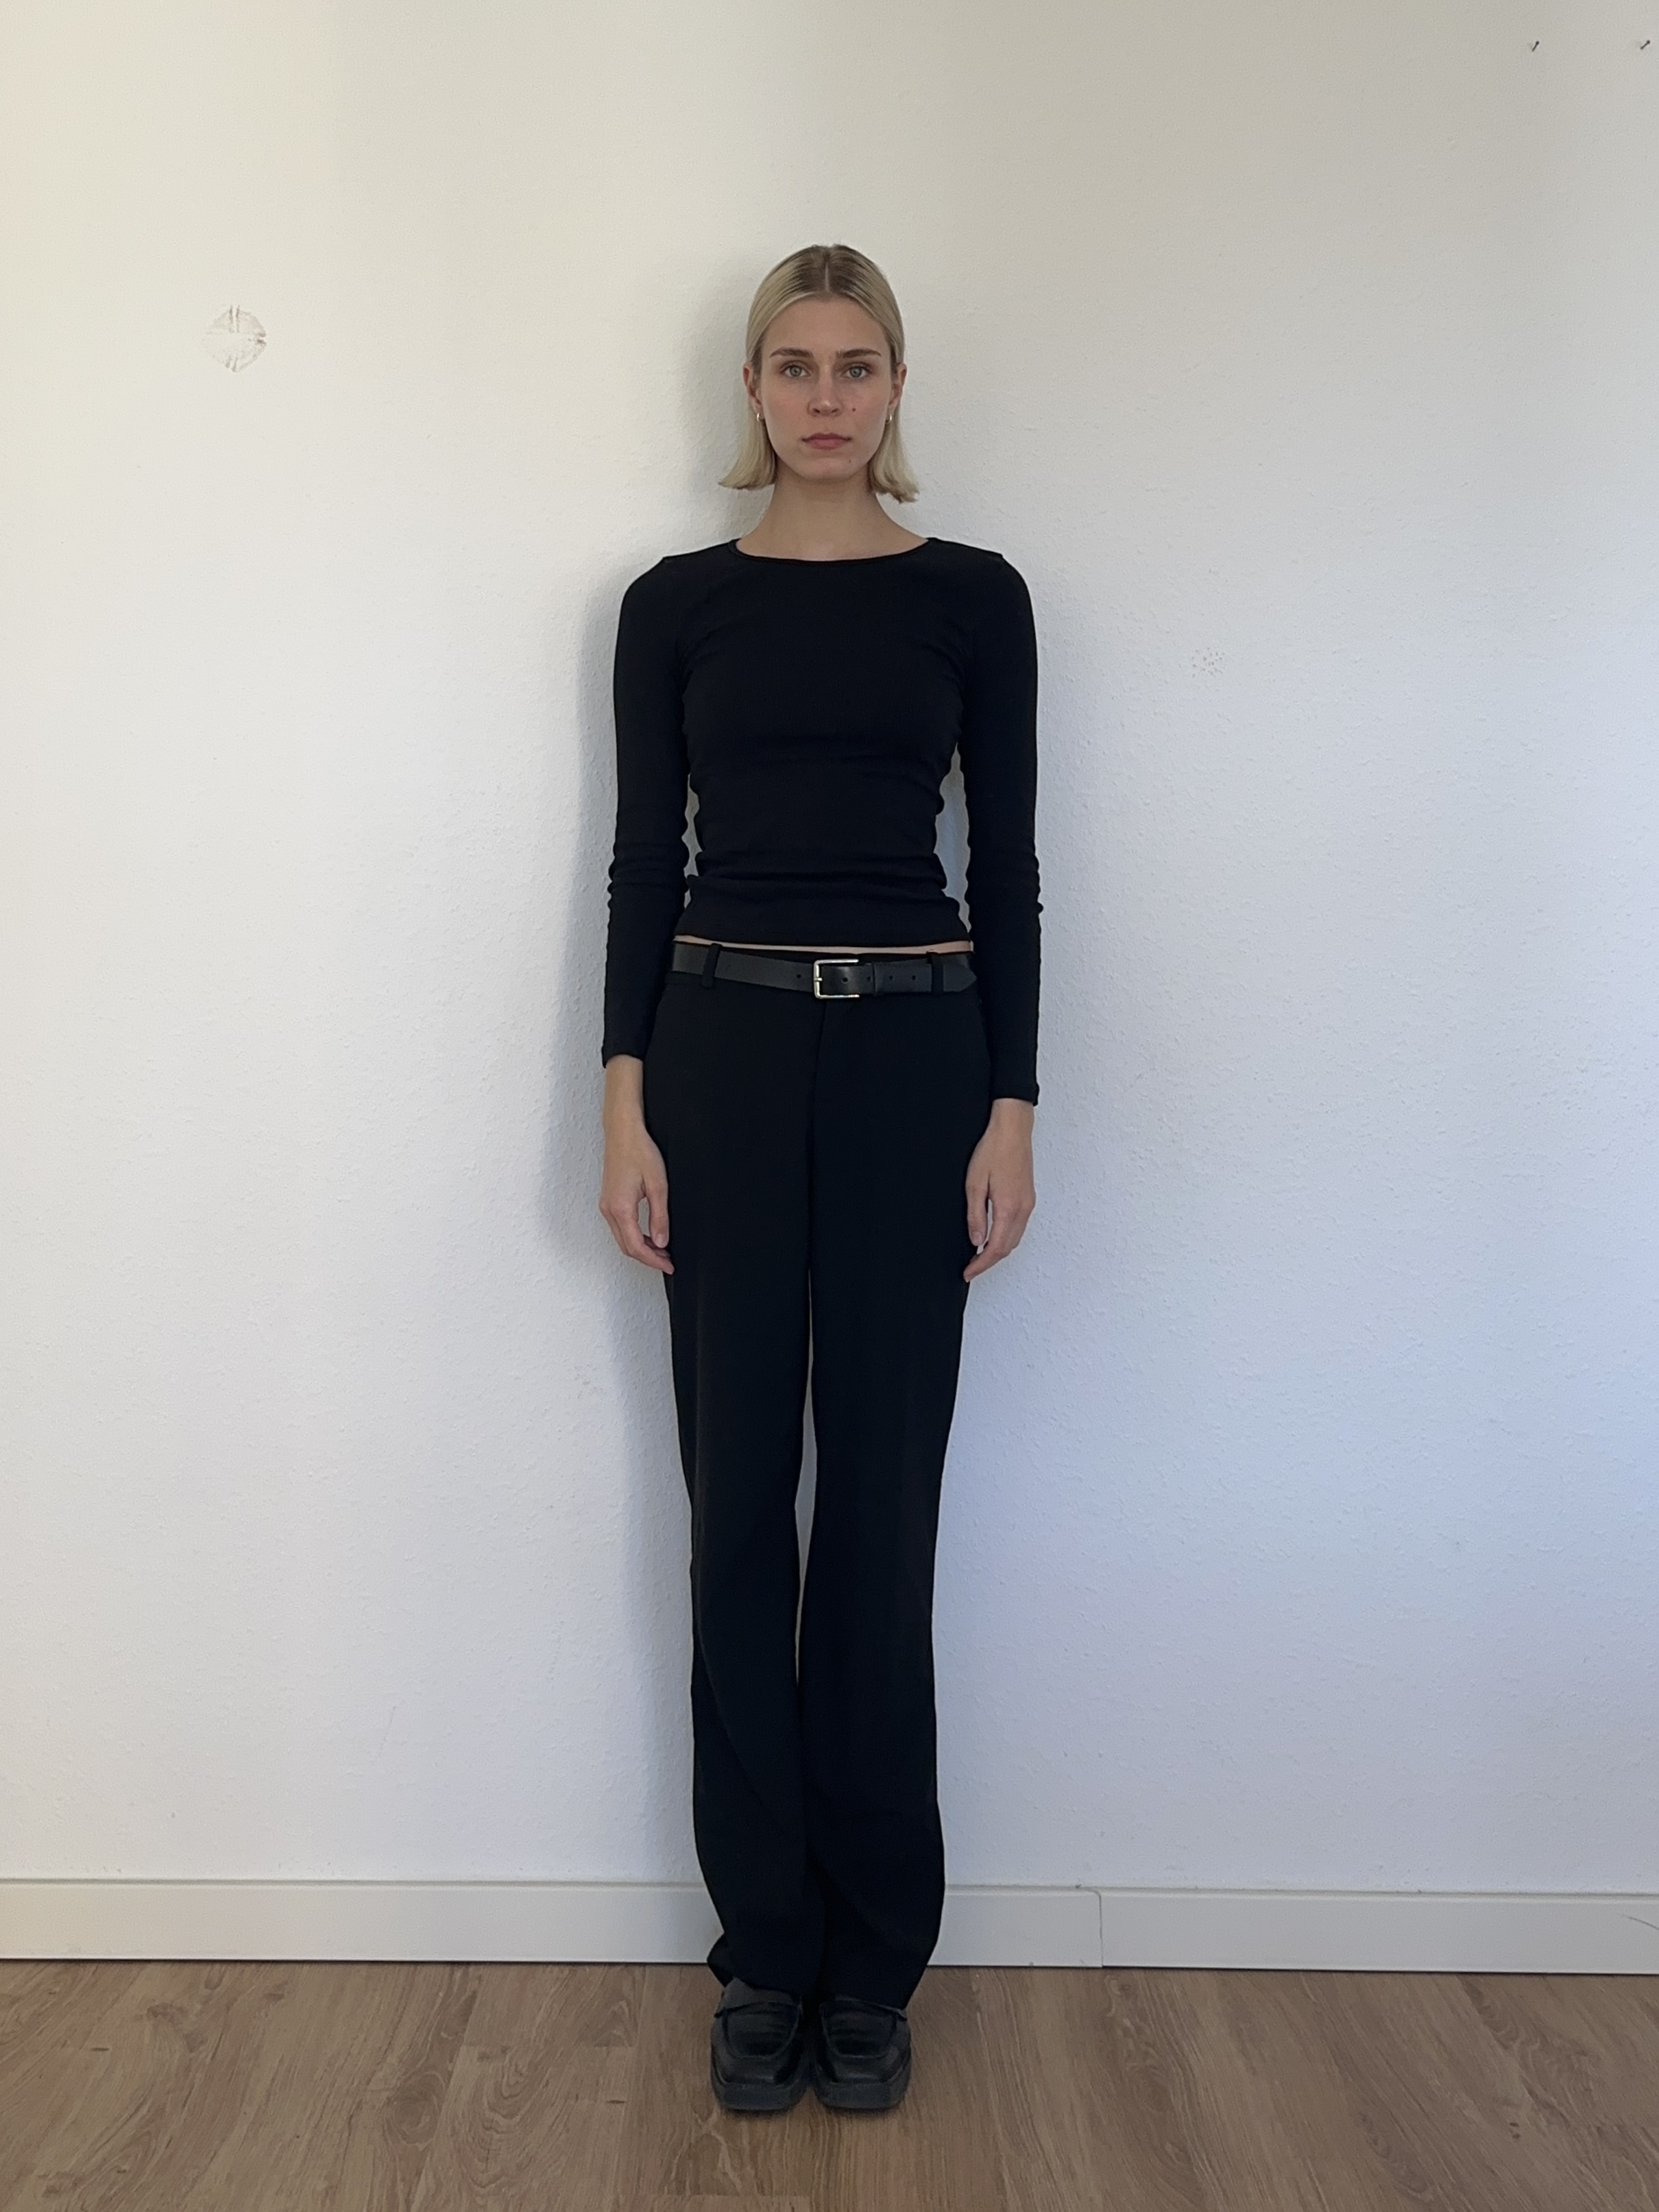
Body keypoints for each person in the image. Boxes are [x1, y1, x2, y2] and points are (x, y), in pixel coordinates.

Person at [598, 243, 1041, 2115]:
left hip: (915, 1063)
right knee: (736, 1521)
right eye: (796, 365)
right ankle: (765, 1948)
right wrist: (621, 1097)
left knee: (876, 1512)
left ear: (897, 386)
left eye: (858, 365)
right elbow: (645, 856)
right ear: (754, 389)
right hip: (718, 1054)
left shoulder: (972, 597)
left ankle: (874, 1956)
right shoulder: (674, 604)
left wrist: (1011, 1101)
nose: (827, 396)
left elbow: (1007, 861)